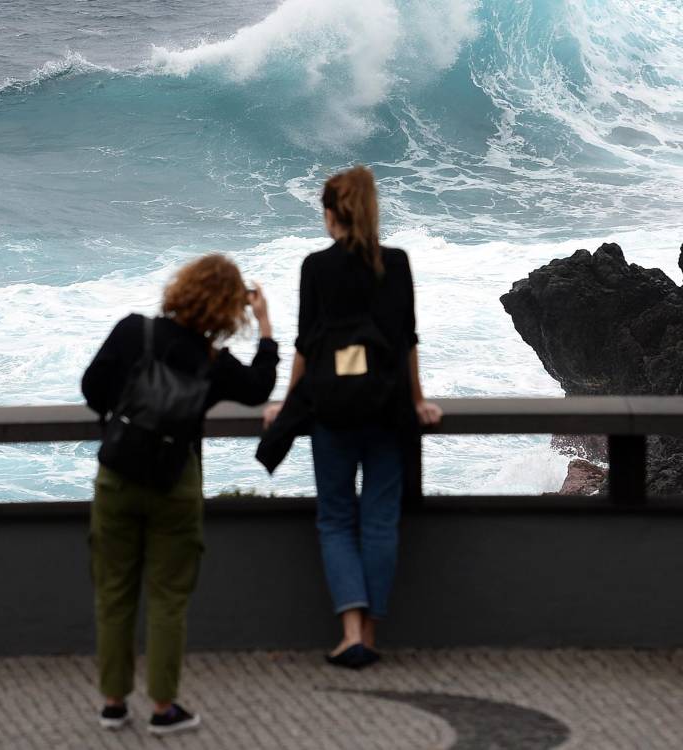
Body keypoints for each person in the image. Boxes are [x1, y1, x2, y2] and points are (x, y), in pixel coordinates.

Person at [81, 254, 277, 734]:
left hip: (118, 476)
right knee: (168, 598)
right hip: (175, 480)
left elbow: (92, 388)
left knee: (114, 592)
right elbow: (259, 389)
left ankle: (112, 702)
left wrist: (126, 419)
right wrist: (266, 325)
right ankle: (164, 708)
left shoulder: (134, 332)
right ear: (227, 310)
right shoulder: (213, 362)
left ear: (181, 288)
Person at [264, 166, 442, 669]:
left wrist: (285, 399)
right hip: (387, 409)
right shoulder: (397, 263)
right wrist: (417, 399)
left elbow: (305, 345)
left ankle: (349, 634)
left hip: (333, 411)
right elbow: (407, 338)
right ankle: (370, 632)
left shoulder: (316, 268)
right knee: (381, 520)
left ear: (330, 213)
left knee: (337, 520)